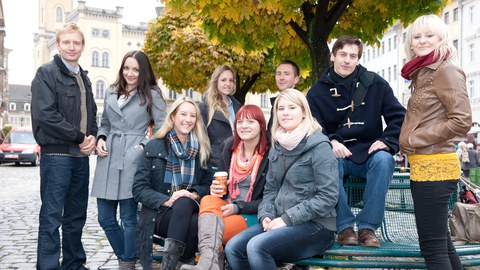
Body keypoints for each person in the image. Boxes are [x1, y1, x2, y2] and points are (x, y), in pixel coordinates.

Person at [306, 35, 406, 248]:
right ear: (333, 56)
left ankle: (368, 227)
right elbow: (312, 127)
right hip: (336, 151)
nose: (347, 60)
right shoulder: (316, 92)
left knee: (385, 160)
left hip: (368, 150)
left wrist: (387, 140)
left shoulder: (375, 83)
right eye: (342, 54)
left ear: (358, 59)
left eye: (353, 56)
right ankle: (344, 227)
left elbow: (399, 116)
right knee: (327, 161)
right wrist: (330, 142)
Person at [225, 89, 339, 269]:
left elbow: (328, 197)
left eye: (292, 108)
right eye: (281, 108)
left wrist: (287, 219)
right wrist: (266, 215)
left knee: (257, 247)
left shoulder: (320, 147)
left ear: (303, 112)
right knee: (233, 247)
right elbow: (271, 189)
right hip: (279, 220)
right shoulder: (278, 145)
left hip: (317, 226)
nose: (285, 112)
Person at [399, 14, 472, 270]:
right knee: (441, 243)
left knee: (431, 246)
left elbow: (462, 120)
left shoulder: (446, 69)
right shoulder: (422, 72)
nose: (422, 41)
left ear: (441, 37)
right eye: (416, 36)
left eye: (429, 35)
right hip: (426, 165)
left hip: (436, 166)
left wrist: (415, 138)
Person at [90, 50, 167, 269]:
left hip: (134, 158)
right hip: (109, 156)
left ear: (143, 71)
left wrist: (143, 146)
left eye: (136, 69)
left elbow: (162, 127)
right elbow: (104, 121)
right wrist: (101, 137)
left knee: (129, 218)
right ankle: (128, 256)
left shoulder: (152, 94)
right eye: (126, 68)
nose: (130, 73)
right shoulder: (111, 91)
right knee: (105, 218)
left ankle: (126, 263)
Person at [31, 22, 98, 269]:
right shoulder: (46, 73)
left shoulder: (84, 77)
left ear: (82, 46)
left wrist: (92, 136)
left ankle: (74, 263)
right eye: (67, 42)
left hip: (80, 158)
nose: (72, 47)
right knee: (51, 217)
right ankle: (48, 266)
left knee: (76, 216)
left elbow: (91, 113)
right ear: (58, 45)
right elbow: (46, 115)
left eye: (77, 43)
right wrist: (80, 138)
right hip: (57, 156)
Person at [181, 105, 270, 270]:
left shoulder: (271, 152)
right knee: (208, 199)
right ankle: (209, 263)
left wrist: (238, 207)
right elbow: (220, 185)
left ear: (261, 125)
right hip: (228, 204)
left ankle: (209, 264)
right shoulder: (230, 148)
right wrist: (215, 189)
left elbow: (270, 199)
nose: (244, 126)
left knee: (214, 231)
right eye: (240, 122)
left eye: (250, 122)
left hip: (254, 213)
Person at [132, 97, 213, 270]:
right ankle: (182, 263)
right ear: (173, 117)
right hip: (160, 213)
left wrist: (194, 193)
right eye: (183, 114)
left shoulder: (202, 149)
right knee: (192, 220)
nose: (188, 119)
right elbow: (138, 189)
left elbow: (207, 184)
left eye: (192, 116)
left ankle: (170, 266)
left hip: (190, 207)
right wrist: (167, 200)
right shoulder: (154, 146)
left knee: (186, 206)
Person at [200, 65, 242, 169]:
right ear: (216, 82)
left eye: (231, 80)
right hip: (216, 163)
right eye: (223, 80)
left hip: (237, 161)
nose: (228, 84)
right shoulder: (205, 107)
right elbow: (202, 139)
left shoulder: (238, 106)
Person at [267, 60, 300, 132]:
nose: (281, 78)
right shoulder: (276, 103)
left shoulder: (301, 104)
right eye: (278, 74)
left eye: (286, 74)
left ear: (296, 79)